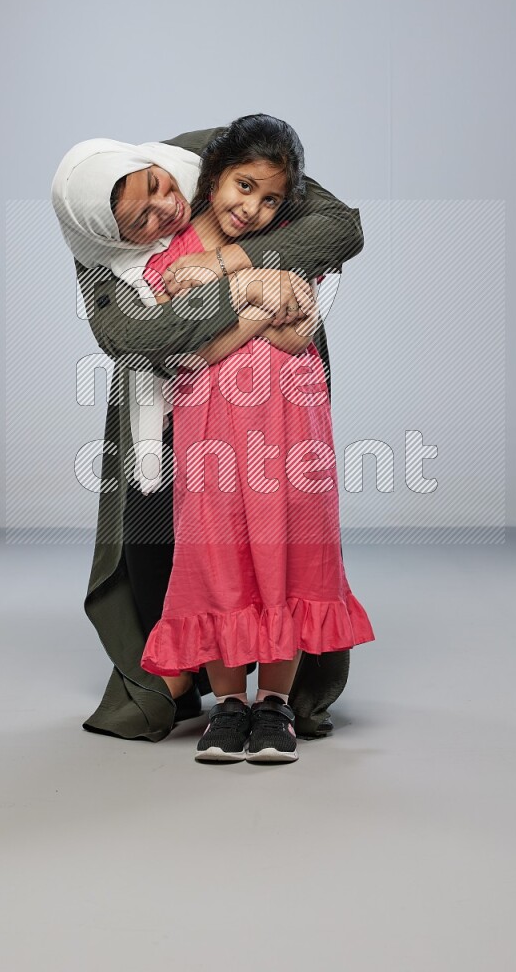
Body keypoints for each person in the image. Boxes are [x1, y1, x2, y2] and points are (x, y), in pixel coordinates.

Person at [51, 119, 364, 742]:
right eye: (138, 220)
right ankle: (181, 682)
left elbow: (340, 228)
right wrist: (250, 292)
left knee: (284, 540)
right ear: (106, 233)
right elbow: (137, 339)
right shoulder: (100, 260)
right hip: (174, 409)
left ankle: (280, 693)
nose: (166, 208)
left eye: (158, 188)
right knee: (179, 547)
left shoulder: (206, 159)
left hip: (278, 409)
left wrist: (229, 262)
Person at [139, 116, 375, 763]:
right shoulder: (173, 254)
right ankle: (229, 704)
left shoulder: (286, 243)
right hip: (210, 426)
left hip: (291, 424)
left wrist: (232, 304)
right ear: (214, 179)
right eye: (244, 187)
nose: (254, 207)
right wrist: (256, 308)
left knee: (287, 549)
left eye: (270, 198)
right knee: (218, 551)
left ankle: (274, 705)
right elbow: (190, 350)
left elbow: (299, 332)